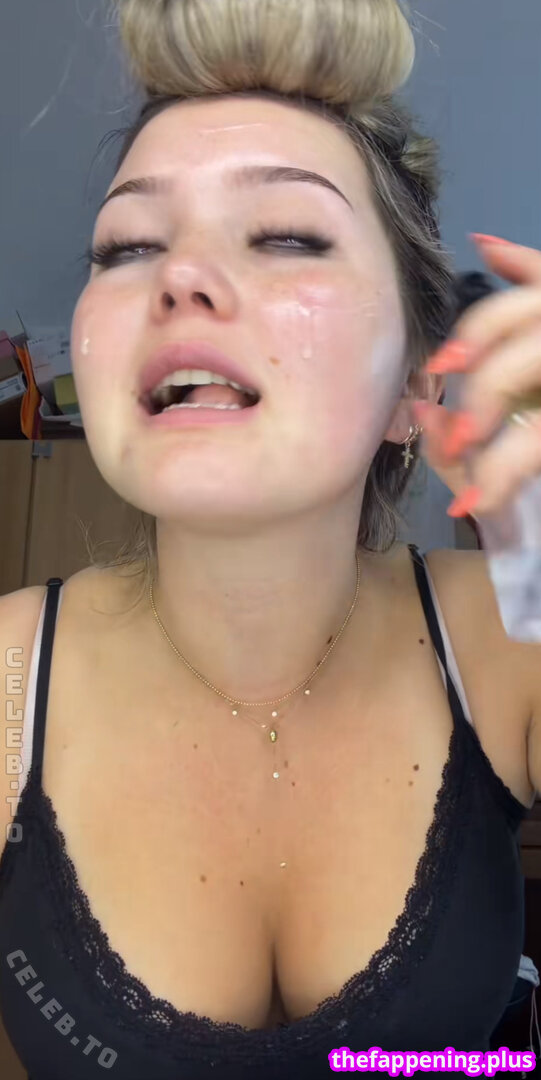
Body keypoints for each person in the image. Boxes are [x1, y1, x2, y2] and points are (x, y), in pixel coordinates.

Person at [0, 2, 540, 1078]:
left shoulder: (505, 640)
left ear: (414, 382)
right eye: (128, 245)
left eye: (287, 235)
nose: (178, 277)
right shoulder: (6, 683)